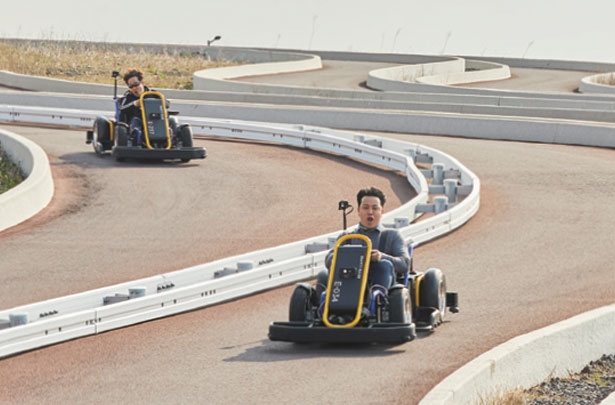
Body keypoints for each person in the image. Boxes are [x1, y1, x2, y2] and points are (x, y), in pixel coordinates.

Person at [317, 186, 411, 300]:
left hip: (380, 282)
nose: (370, 212)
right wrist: (345, 255)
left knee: (384, 265)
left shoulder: (392, 235)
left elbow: (405, 264)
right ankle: (324, 307)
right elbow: (328, 260)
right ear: (358, 211)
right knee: (323, 275)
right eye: (366, 208)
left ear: (381, 212)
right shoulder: (347, 236)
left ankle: (377, 301)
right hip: (349, 281)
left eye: (375, 208)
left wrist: (381, 256)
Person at [118, 68, 150, 136]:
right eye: (131, 86)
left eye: (136, 84)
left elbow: (166, 103)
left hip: (153, 120)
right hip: (137, 120)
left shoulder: (153, 94)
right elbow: (122, 108)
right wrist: (134, 104)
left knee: (171, 120)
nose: (134, 88)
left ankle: (171, 138)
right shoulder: (128, 97)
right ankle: (135, 136)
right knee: (135, 121)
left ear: (142, 83)